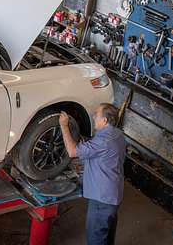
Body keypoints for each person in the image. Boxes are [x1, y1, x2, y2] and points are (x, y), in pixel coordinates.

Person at [59, 104, 126, 245]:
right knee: (107, 236)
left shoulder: (103, 141)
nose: (93, 116)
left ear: (105, 120)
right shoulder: (118, 134)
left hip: (102, 200)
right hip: (113, 195)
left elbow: (72, 152)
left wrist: (64, 126)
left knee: (96, 238)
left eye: (96, 114)